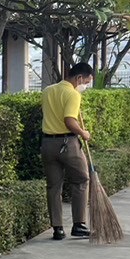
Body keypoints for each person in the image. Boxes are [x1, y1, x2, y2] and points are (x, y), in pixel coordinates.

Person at [41, 62, 96, 240]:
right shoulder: (73, 94)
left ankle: (57, 228)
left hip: (48, 143)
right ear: (79, 78)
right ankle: (79, 225)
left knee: (53, 186)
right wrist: (83, 133)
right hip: (68, 143)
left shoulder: (48, 90)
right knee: (81, 180)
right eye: (86, 82)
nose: (85, 86)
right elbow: (69, 120)